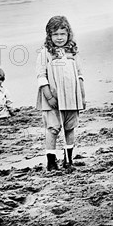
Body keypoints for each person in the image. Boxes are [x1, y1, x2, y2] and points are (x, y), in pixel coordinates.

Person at [36, 16, 86, 172]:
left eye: (62, 34)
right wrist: (49, 96)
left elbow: (79, 74)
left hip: (71, 97)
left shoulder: (73, 52)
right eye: (55, 34)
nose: (59, 38)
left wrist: (82, 96)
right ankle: (51, 161)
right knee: (53, 128)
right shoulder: (45, 53)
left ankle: (68, 159)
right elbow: (41, 76)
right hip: (53, 98)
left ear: (68, 34)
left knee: (70, 127)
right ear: (49, 35)